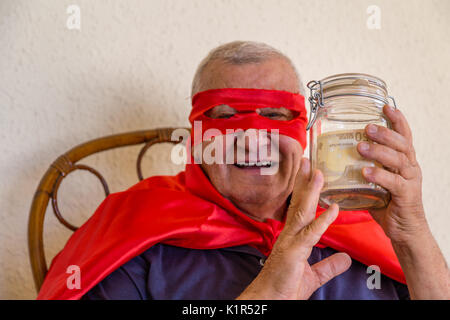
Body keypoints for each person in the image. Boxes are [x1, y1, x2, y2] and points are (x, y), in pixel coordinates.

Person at [38, 41, 449, 300]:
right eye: (226, 117)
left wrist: (412, 233)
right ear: (197, 135)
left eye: (275, 115)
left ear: (307, 130)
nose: (253, 138)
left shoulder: (365, 220)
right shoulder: (132, 229)